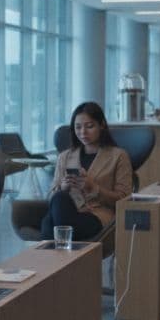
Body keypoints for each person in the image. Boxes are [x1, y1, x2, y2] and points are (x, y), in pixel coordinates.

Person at [40, 101, 133, 241]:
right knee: (59, 198)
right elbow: (50, 198)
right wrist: (63, 188)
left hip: (97, 216)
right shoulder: (64, 157)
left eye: (89, 126)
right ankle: (62, 248)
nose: (83, 132)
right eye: (78, 127)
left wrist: (94, 188)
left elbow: (124, 200)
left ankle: (55, 249)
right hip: (68, 212)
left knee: (48, 224)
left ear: (102, 125)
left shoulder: (119, 156)